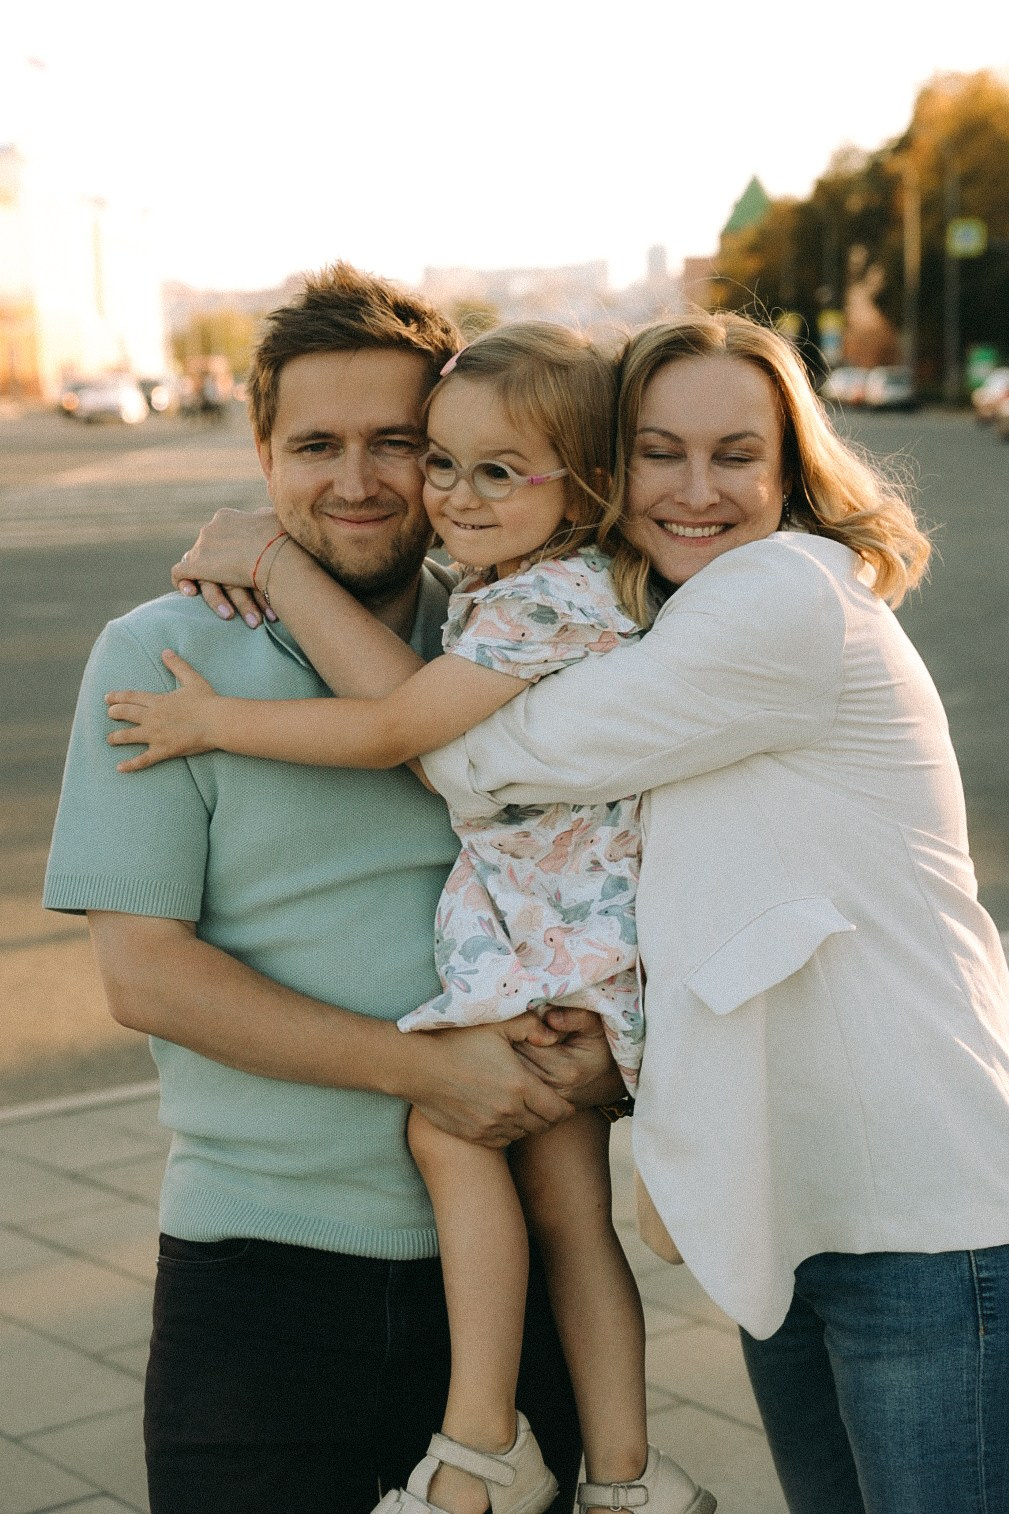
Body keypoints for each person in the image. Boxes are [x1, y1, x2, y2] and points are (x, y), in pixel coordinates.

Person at [104, 324, 716, 1514]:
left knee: (556, 1215)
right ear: (260, 452)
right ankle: (605, 1470)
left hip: (497, 1261)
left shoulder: (492, 610)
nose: (368, 479)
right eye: (315, 443)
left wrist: (615, 1050)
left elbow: (403, 724)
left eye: (398, 442)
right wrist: (432, 1073)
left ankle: (523, 1449)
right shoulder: (160, 646)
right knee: (565, 1210)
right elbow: (145, 980)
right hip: (263, 1271)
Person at [408, 314, 1009, 1514]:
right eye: (656, 451)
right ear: (605, 467)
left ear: (789, 468)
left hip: (920, 1216)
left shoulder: (782, 595)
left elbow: (473, 753)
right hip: (792, 1205)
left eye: (735, 453)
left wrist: (280, 571)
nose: (695, 489)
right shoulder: (665, 619)